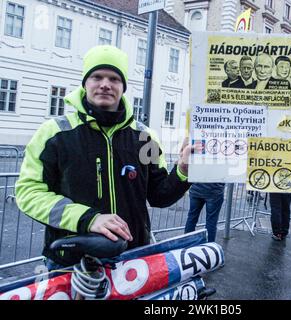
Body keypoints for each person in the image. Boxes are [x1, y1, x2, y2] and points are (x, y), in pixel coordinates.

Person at [15, 45, 194, 269]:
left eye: (114, 78)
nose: (105, 84)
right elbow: (28, 193)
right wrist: (87, 218)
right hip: (70, 261)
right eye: (97, 76)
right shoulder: (54, 133)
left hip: (132, 258)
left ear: (123, 87)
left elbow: (159, 195)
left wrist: (184, 171)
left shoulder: (145, 137)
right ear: (85, 83)